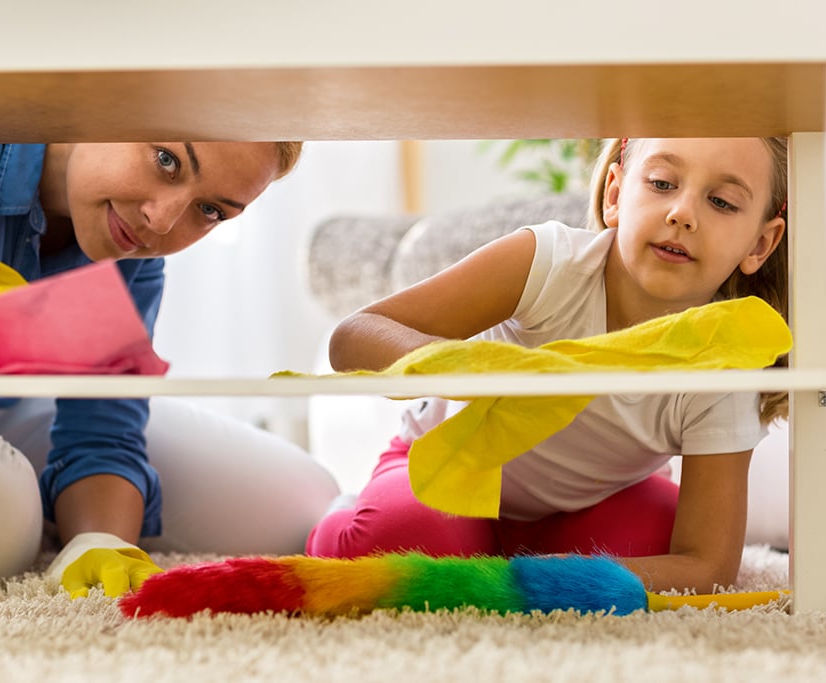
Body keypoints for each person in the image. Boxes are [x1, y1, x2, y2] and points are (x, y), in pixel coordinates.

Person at [0, 142, 341, 597]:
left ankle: (32, 513)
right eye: (167, 161)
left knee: (300, 502)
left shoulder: (130, 251)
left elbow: (103, 431)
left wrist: (100, 540)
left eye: (210, 210)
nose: (163, 219)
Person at [306, 137, 789, 594]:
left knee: (655, 540)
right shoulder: (550, 262)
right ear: (616, 194)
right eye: (662, 183)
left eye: (722, 202)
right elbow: (352, 338)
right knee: (411, 540)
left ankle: (515, 555)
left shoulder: (726, 367)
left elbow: (707, 566)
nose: (682, 214)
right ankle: (345, 517)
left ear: (760, 245)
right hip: (448, 479)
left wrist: (553, 576)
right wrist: (460, 364)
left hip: (585, 510)